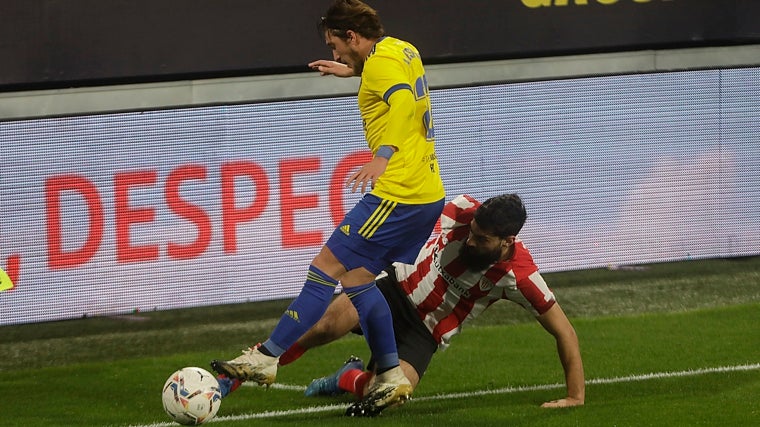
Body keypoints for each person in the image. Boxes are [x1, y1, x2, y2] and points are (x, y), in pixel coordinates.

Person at [211, 0, 445, 417]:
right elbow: (395, 79)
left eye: (336, 45)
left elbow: (405, 102)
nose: (334, 53)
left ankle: (267, 356)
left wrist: (382, 156)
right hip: (425, 193)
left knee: (324, 267)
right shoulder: (400, 49)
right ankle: (390, 374)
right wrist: (353, 72)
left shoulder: (379, 67)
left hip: (398, 191)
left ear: (352, 36)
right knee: (357, 280)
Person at [220, 194, 586, 416]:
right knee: (322, 325)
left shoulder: (520, 276)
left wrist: (574, 397)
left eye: (482, 239)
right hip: (392, 287)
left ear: (507, 241)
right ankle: (231, 379)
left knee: (386, 398)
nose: (471, 241)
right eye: (472, 232)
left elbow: (564, 331)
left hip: (425, 332)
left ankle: (349, 377)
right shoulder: (460, 210)